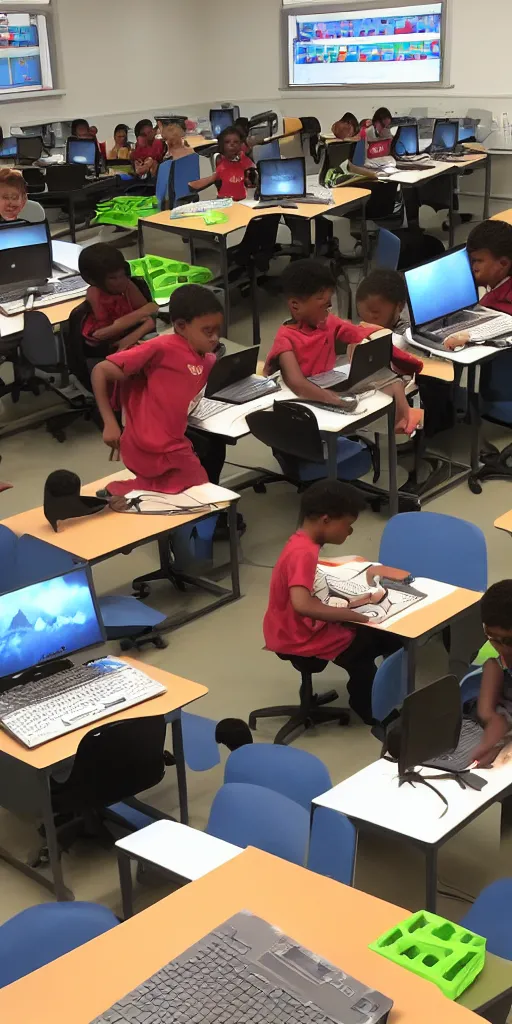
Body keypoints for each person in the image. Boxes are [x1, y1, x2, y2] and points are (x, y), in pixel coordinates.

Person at [263, 480, 402, 722]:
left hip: (284, 627)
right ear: (326, 520)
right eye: (348, 525)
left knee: (373, 636)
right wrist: (351, 616)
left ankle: (381, 689)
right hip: (299, 635)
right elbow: (302, 604)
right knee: (366, 647)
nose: (349, 532)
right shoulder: (303, 553)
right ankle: (368, 708)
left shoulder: (300, 542)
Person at [91, 284, 226, 496]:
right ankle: (120, 491)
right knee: (200, 491)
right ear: (181, 326)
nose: (215, 338)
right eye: (207, 331)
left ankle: (124, 492)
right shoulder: (160, 348)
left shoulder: (208, 359)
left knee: (183, 486)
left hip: (174, 439)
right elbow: (100, 371)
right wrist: (109, 423)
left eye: (218, 330)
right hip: (150, 443)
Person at [264, 259, 423, 435]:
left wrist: (357, 343)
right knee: (365, 401)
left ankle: (403, 425)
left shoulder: (328, 322)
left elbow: (358, 331)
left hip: (332, 385)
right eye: (322, 304)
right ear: (296, 306)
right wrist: (336, 400)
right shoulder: (285, 338)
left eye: (329, 304)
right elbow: (297, 384)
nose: (329, 309)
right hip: (303, 399)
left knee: (395, 383)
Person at [78, 243, 158, 360]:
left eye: (123, 275)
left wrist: (129, 339)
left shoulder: (127, 285)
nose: (121, 281)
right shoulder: (95, 293)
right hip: (104, 350)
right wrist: (140, 315)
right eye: (113, 278)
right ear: (94, 280)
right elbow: (101, 334)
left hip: (128, 339)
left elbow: (151, 311)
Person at [441, 220, 512, 351]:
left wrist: (471, 335)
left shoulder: (501, 305)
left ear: (503, 264)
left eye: (477, 261)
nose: (471, 266)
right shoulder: (496, 284)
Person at [471, 580, 512, 764]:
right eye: (492, 638)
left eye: (509, 641)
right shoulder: (493, 662)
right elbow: (491, 716)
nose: (503, 649)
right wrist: (493, 721)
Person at [189, 127, 255, 200]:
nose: (232, 144)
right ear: (222, 145)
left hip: (243, 201)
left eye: (236, 142)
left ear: (241, 144)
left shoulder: (244, 161)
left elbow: (253, 176)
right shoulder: (220, 164)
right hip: (223, 201)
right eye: (227, 142)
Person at [356, 268, 409, 335]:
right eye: (362, 319)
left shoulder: (405, 338)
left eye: (375, 313)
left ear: (400, 306)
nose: (367, 325)